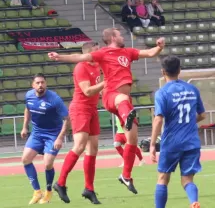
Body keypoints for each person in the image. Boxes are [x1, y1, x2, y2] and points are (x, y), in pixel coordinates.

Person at [48, 28, 165, 194]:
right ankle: (63, 182)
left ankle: (126, 175)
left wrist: (159, 47)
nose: (123, 36)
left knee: (132, 138)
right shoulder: (103, 53)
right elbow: (80, 57)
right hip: (112, 95)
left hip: (123, 101)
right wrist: (59, 57)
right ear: (112, 37)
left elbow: (149, 53)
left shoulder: (127, 52)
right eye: (120, 34)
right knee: (121, 103)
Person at [150, 55, 205, 208]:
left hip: (172, 142)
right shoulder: (192, 89)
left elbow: (158, 119)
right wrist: (188, 122)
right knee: (187, 179)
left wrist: (153, 144)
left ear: (163, 72)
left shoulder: (163, 93)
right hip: (191, 141)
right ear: (180, 70)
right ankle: (193, 203)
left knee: (162, 178)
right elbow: (202, 115)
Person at [53, 42, 105, 205]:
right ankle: (60, 183)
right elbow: (87, 91)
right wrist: (107, 82)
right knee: (80, 146)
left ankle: (89, 188)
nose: (98, 55)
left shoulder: (96, 66)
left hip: (92, 109)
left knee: (93, 148)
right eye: (95, 52)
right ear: (89, 53)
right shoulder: (81, 67)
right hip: (81, 108)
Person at [21, 74, 69, 205]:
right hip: (37, 133)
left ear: (46, 84)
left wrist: (60, 138)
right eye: (37, 83)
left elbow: (67, 119)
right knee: (25, 159)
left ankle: (48, 192)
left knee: (47, 163)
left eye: (42, 82)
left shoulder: (54, 99)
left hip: (53, 134)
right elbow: (27, 110)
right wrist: (25, 127)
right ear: (33, 85)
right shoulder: (29, 96)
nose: (40, 85)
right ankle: (37, 192)